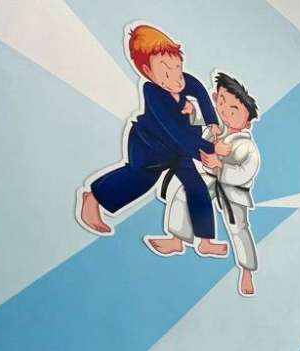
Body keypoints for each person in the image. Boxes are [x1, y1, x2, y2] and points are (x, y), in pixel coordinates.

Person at [78, 24, 230, 257]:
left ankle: (205, 240)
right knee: (139, 180)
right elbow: (174, 132)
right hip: (149, 148)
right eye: (166, 72)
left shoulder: (184, 81)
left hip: (179, 150)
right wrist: (209, 148)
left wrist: (212, 122)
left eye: (177, 67)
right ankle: (94, 197)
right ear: (148, 71)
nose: (176, 78)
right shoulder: (153, 93)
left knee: (196, 187)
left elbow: (200, 91)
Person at [148, 72, 261, 296]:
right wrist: (192, 110)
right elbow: (201, 117)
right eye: (221, 102)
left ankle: (247, 271)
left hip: (232, 190)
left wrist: (220, 167)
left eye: (234, 110)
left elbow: (246, 171)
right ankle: (178, 239)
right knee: (185, 194)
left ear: (247, 121)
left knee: (238, 228)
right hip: (209, 178)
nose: (225, 112)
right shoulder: (216, 126)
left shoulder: (247, 146)